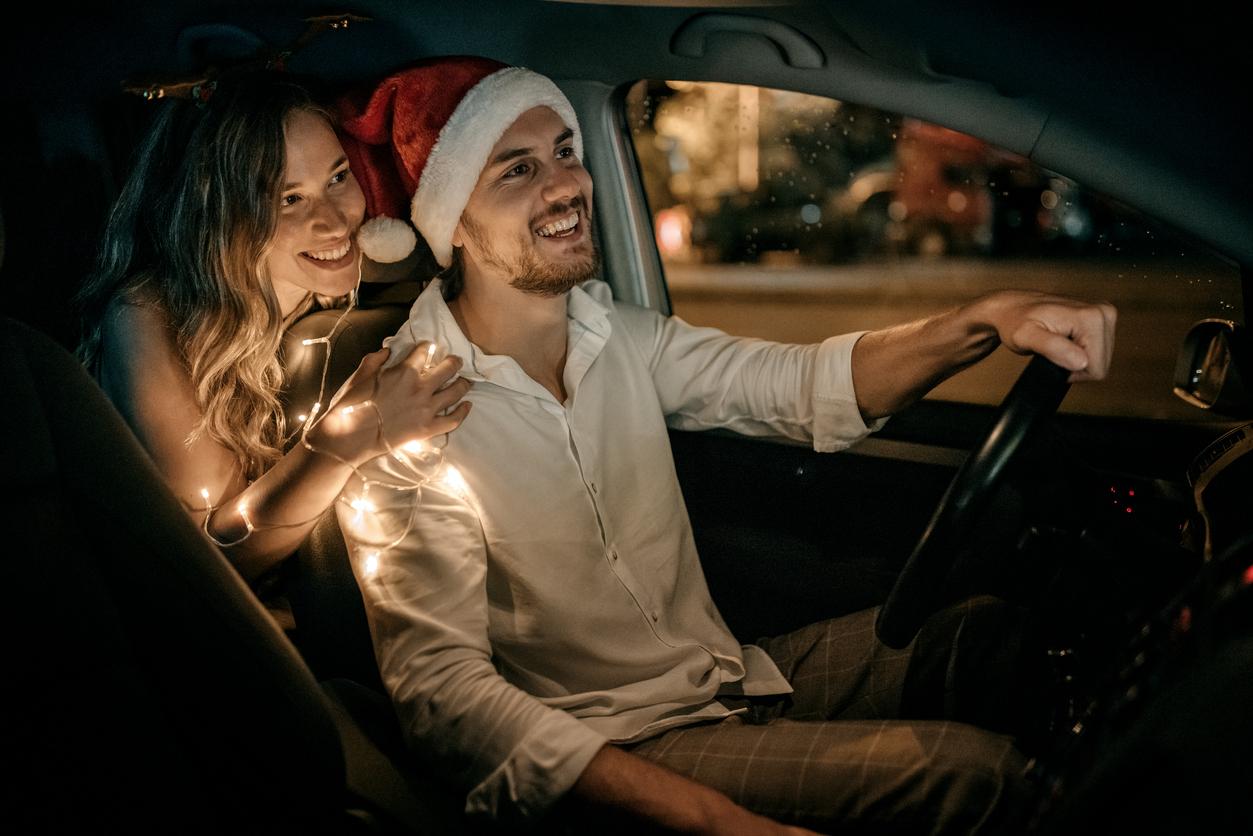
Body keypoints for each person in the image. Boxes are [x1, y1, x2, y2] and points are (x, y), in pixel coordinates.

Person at [334, 57, 1116, 834]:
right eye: (516, 171)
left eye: (566, 152)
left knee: (991, 637)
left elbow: (800, 387)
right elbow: (444, 698)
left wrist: (983, 320)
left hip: (728, 678)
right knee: (972, 778)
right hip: (620, 746)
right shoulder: (407, 415)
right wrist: (717, 821)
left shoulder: (617, 335)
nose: (565, 185)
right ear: (451, 225)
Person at [76, 72, 472, 587]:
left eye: (337, 178)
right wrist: (346, 440)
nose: (334, 222)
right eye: (289, 199)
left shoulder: (370, 266)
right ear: (217, 216)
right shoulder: (146, 316)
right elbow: (212, 563)